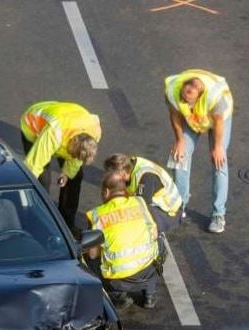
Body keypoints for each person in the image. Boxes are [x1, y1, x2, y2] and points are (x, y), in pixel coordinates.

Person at [164, 69, 233, 233]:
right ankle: (180, 205)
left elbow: (218, 123)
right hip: (195, 118)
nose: (184, 104)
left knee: (219, 163)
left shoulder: (215, 98)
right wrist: (180, 141)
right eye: (183, 99)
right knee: (179, 157)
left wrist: (217, 148)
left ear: (199, 96)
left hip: (217, 120)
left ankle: (218, 214)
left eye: (189, 101)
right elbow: (175, 115)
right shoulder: (173, 90)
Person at [20, 101, 101, 229]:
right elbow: (33, 166)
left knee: (75, 177)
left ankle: (67, 224)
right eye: (72, 155)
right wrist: (24, 189)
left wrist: (66, 174)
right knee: (42, 180)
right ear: (71, 144)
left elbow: (76, 159)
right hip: (33, 127)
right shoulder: (54, 133)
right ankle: (40, 222)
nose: (73, 158)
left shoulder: (94, 131)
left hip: (67, 126)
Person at [86, 171, 160, 310]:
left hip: (119, 279)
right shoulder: (140, 202)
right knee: (160, 244)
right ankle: (149, 293)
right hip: (147, 270)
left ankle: (118, 296)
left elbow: (93, 254)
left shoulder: (97, 215)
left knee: (87, 254)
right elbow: (154, 233)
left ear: (107, 192)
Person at [104, 154, 183, 233]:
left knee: (138, 221)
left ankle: (154, 242)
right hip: (157, 205)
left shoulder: (146, 177)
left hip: (169, 211)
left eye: (112, 177)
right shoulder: (131, 166)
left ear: (123, 174)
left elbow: (142, 207)